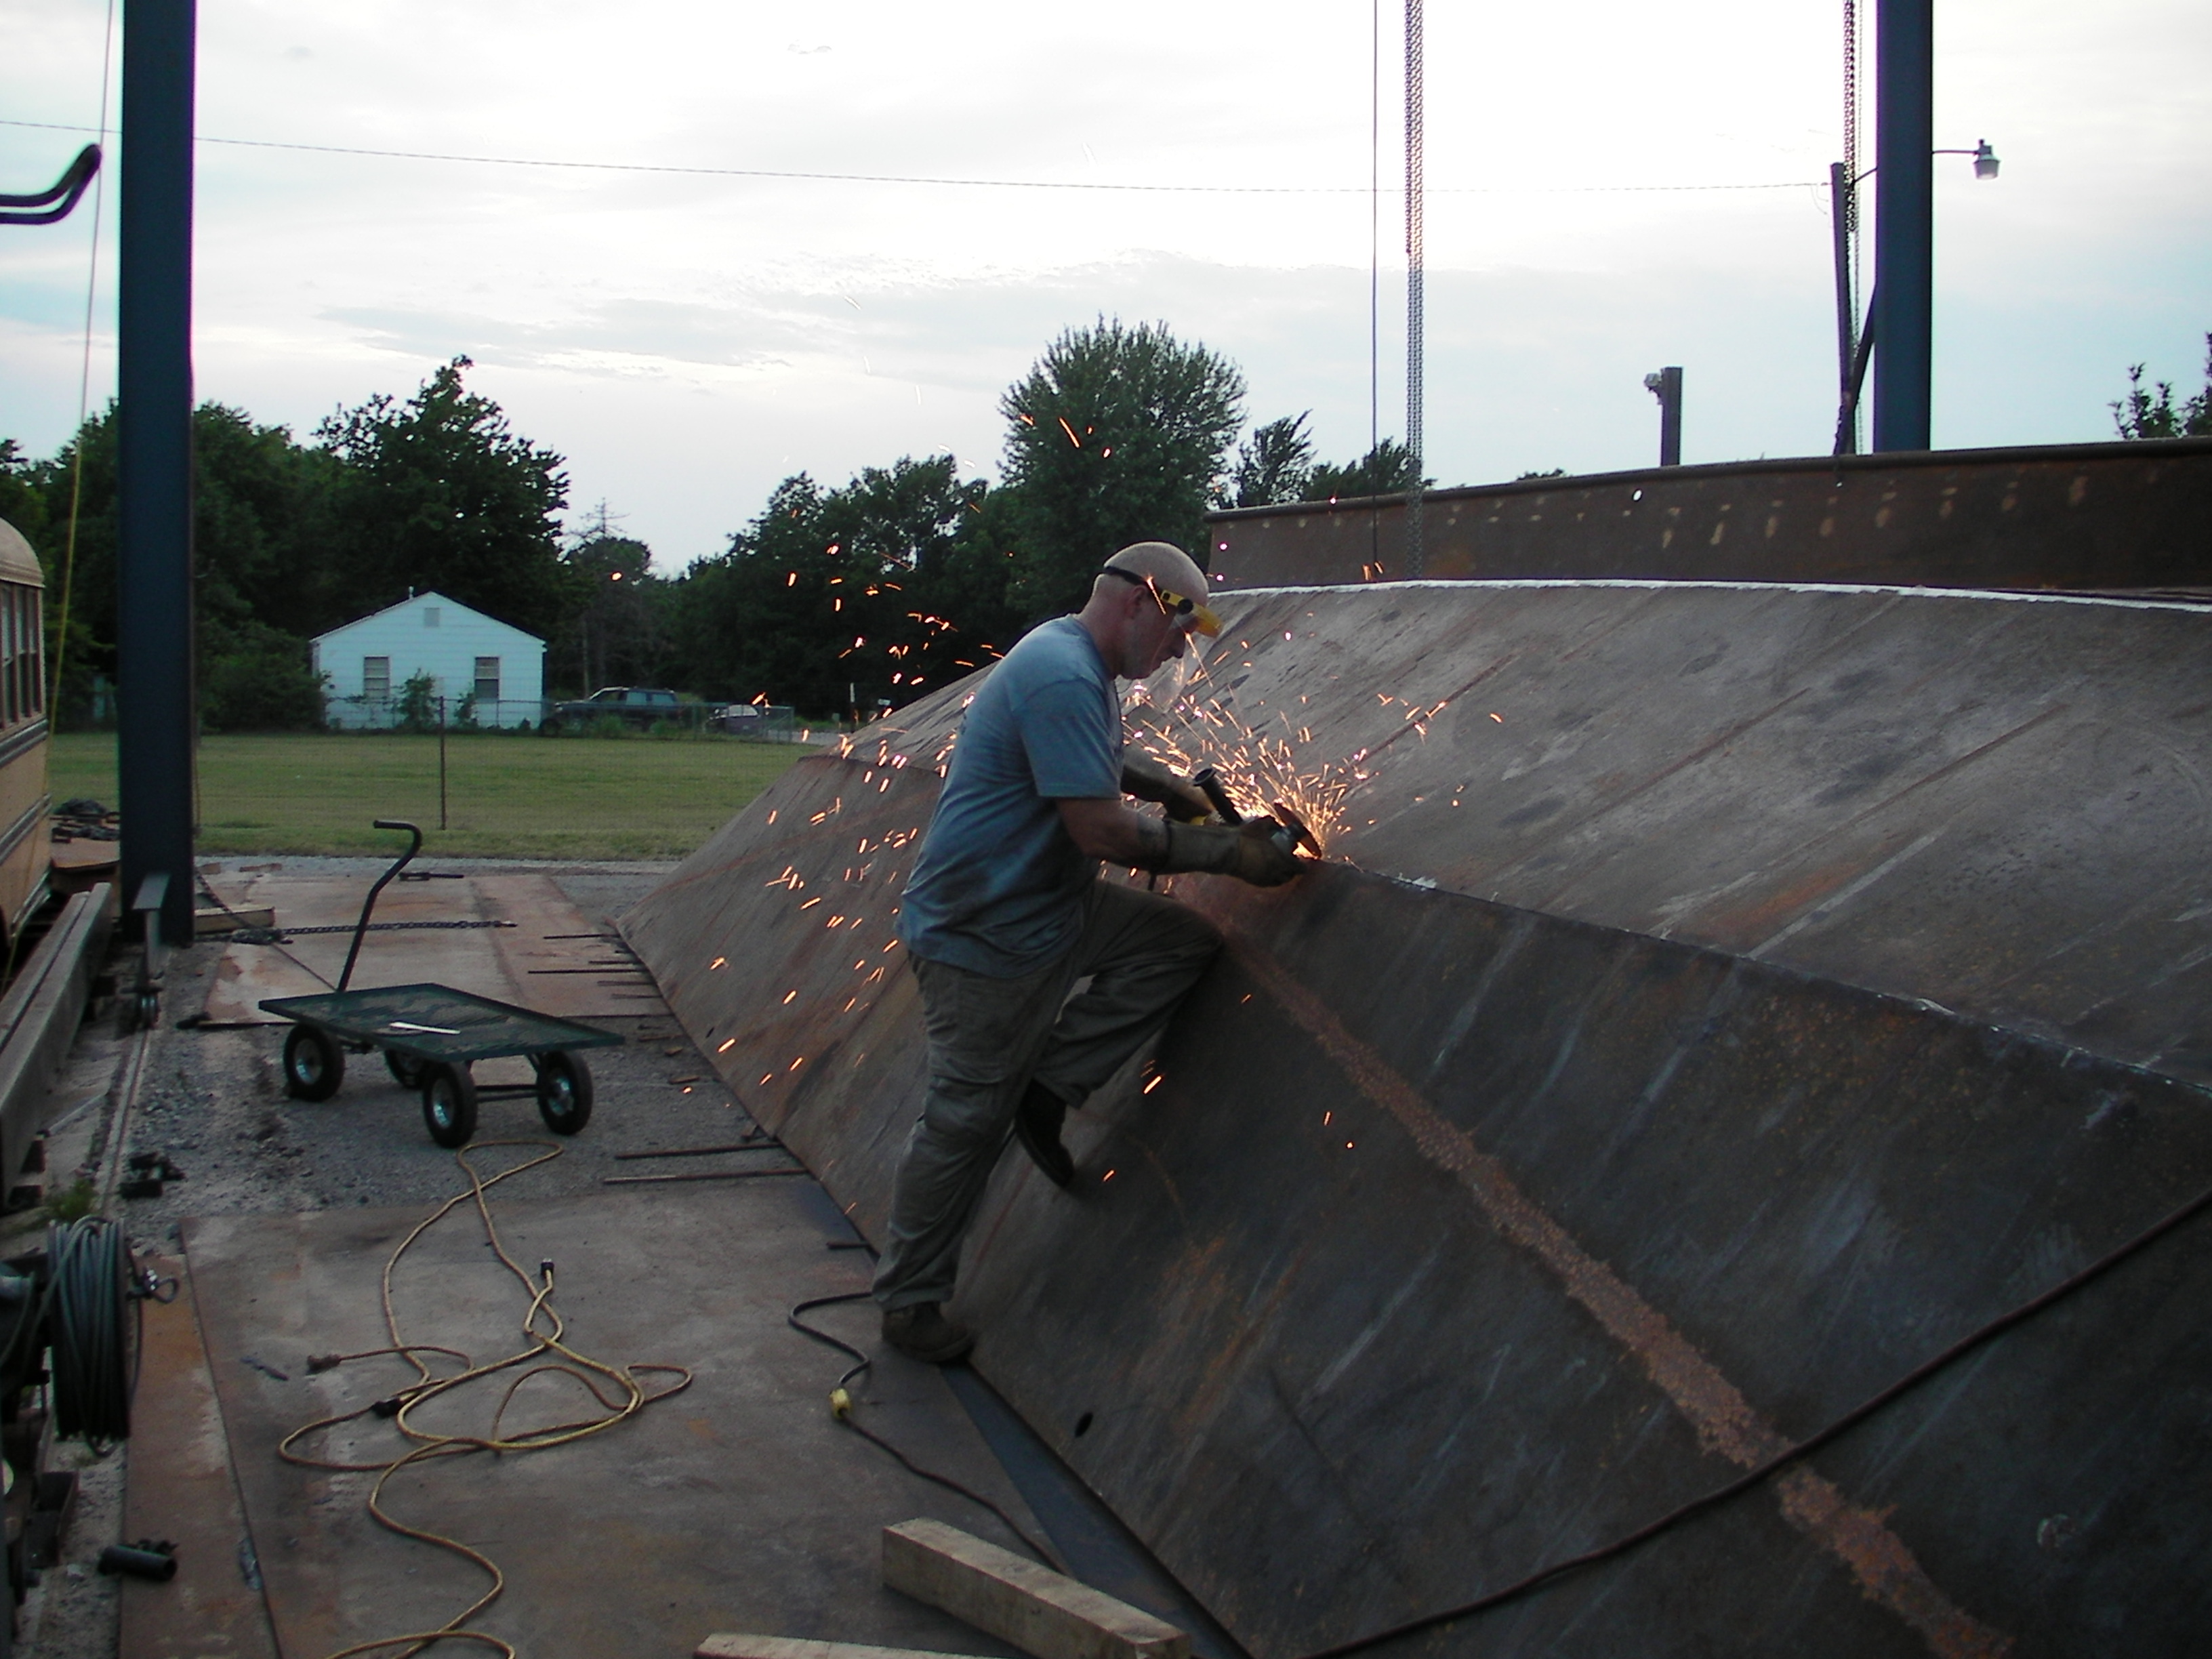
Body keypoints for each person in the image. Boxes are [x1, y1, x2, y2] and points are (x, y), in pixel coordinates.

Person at [874, 540, 1304, 1363]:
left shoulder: (1075, 661)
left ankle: (1050, 1083)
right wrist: (1230, 854)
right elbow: (1098, 829)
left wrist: (1169, 787)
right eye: (1180, 631)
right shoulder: (1065, 673)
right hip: (984, 940)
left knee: (1180, 945)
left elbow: (1093, 763)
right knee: (965, 1122)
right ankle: (909, 1303)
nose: (1180, 649)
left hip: (1048, 909)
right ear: (1140, 601)